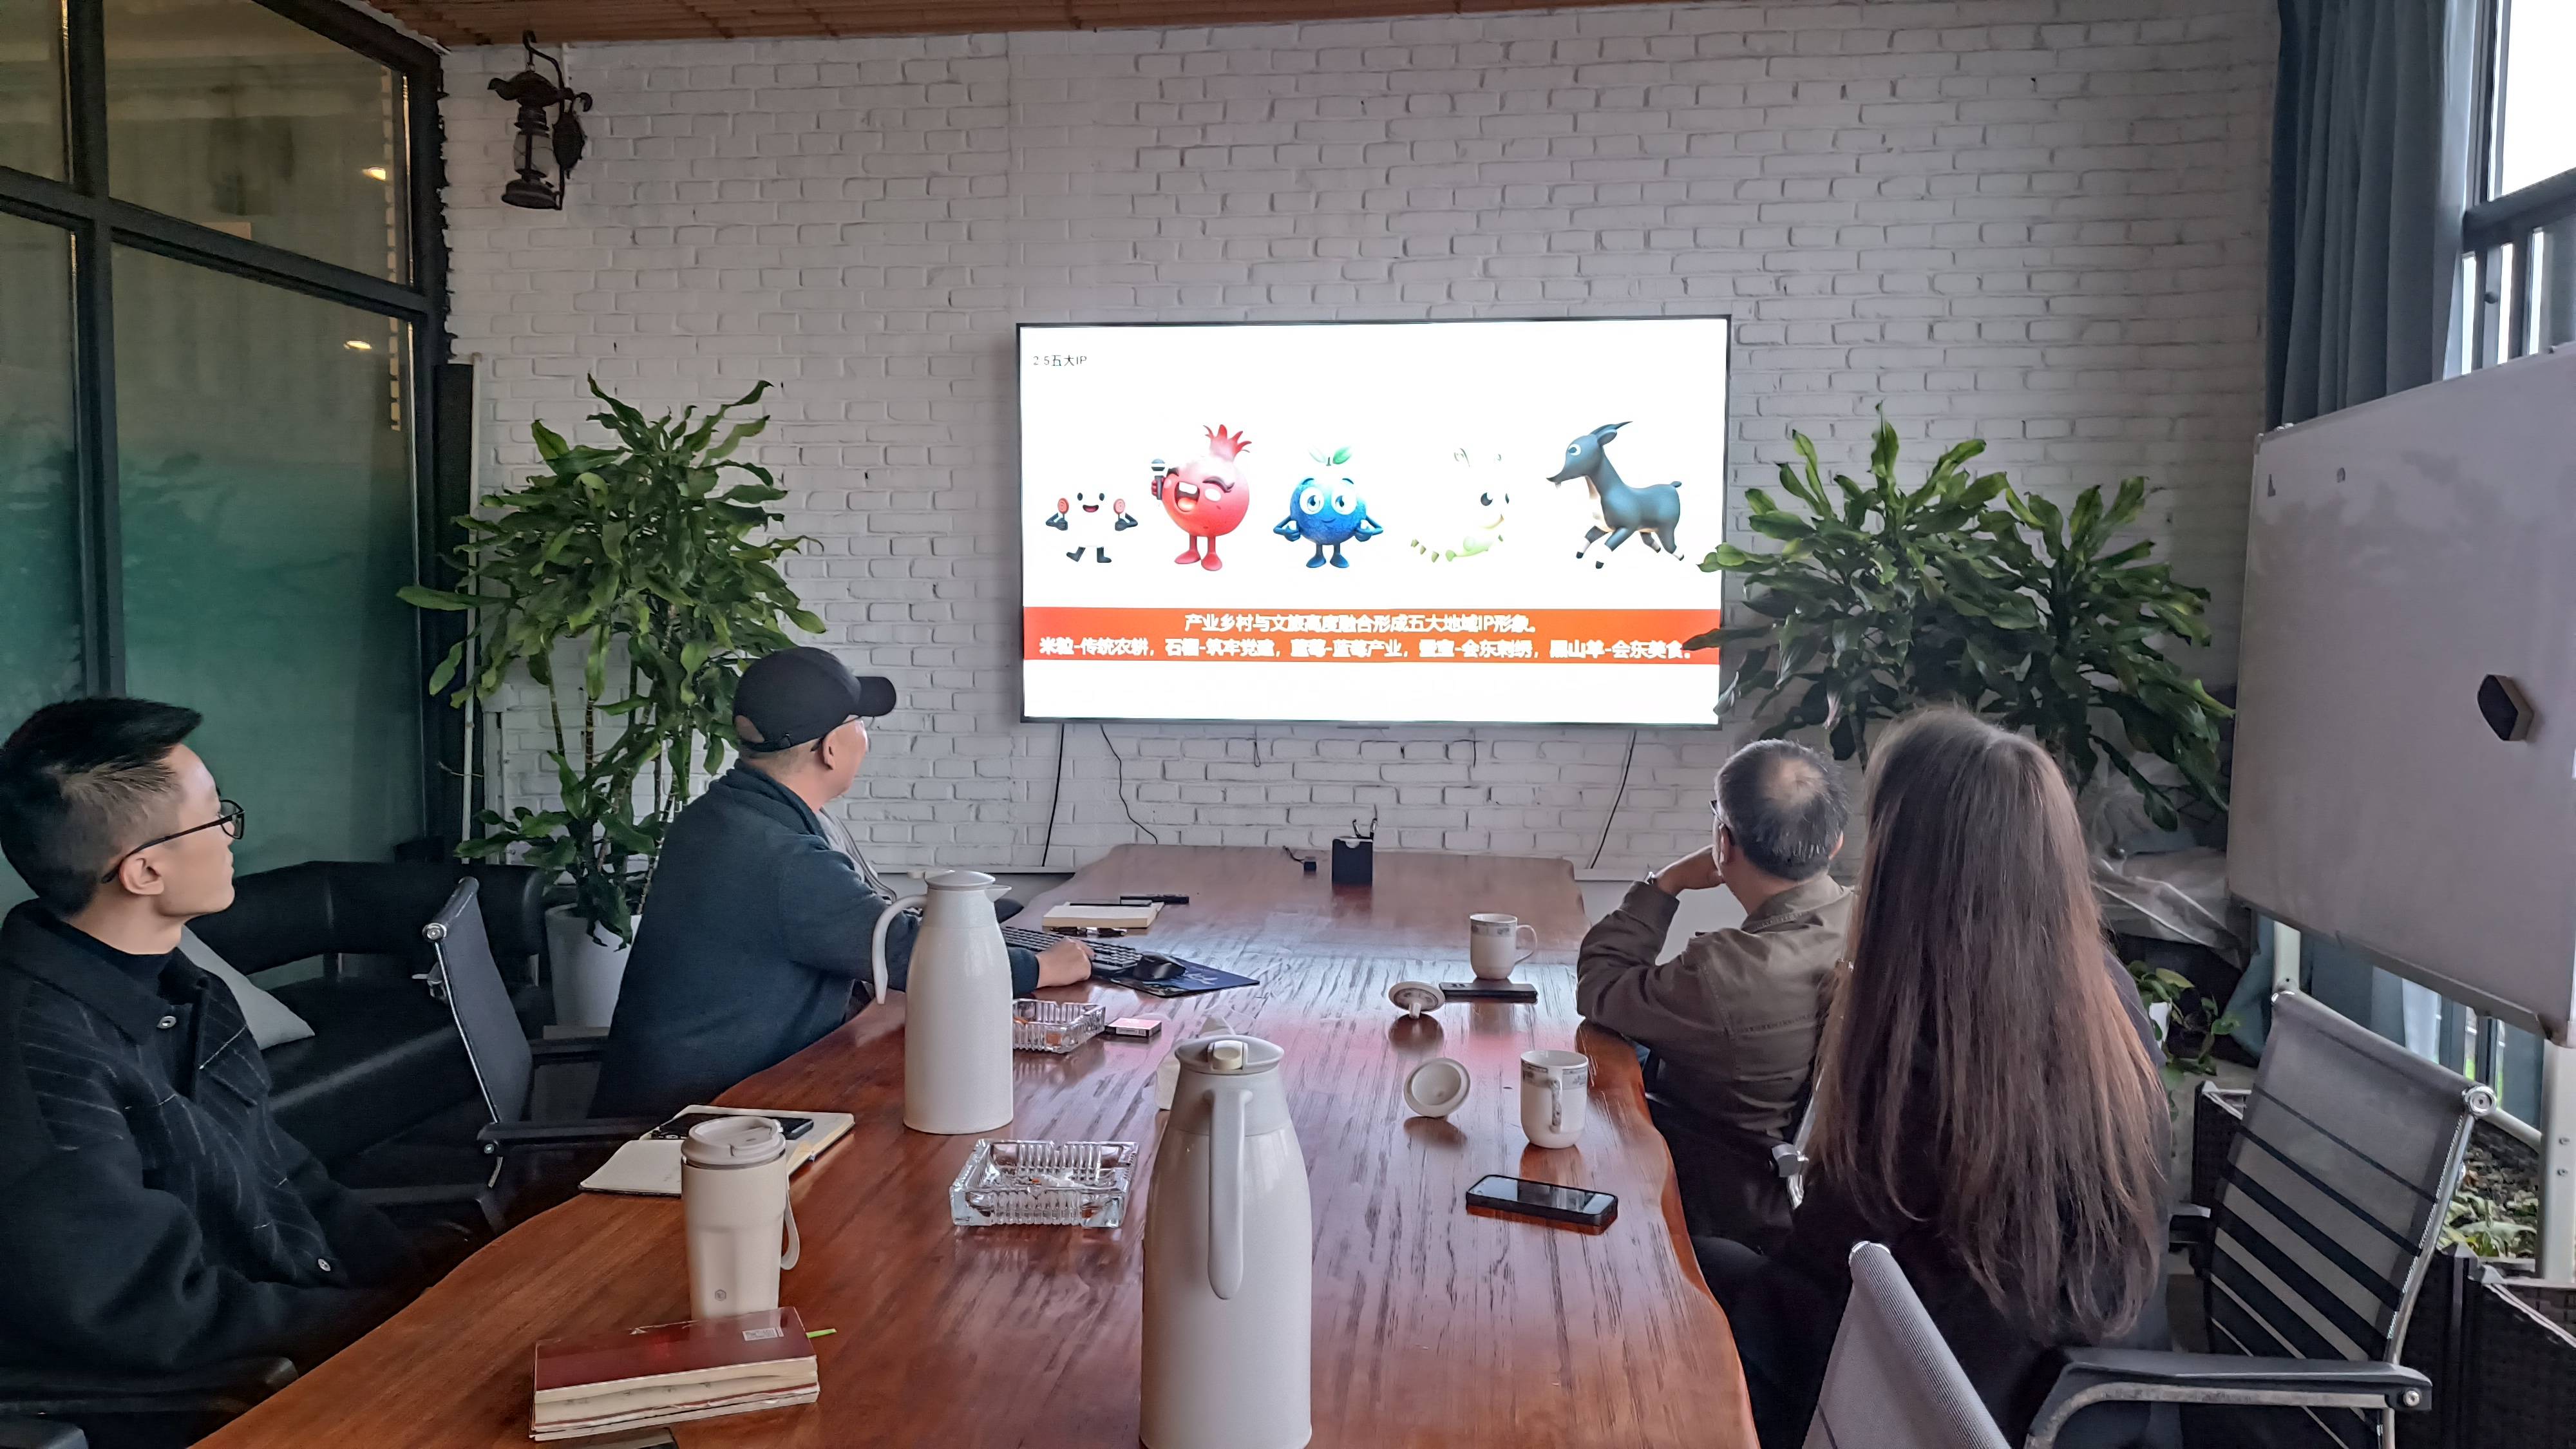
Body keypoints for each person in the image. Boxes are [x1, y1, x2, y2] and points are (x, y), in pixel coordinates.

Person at [1700, 709, 2170, 1448]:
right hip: (2085, 1397)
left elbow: (1832, 1264)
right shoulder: (2107, 996)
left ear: (1903, 865)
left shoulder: (1923, 1029)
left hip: (1930, 1398)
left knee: (1675, 1291)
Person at [0, 699, 417, 1399]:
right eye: (216, 815)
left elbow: (286, 1175)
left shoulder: (188, 988)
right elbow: (149, 1313)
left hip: (315, 1327)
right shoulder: (39, 1058)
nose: (229, 834)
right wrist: (396, 1329)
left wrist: (424, 1286)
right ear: (144, 872)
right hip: (230, 1392)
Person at [594, 648, 1092, 1119]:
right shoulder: (784, 857)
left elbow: (849, 930)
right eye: (860, 723)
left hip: (706, 1096)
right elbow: (909, 955)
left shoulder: (718, 817)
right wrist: (1043, 967)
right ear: (831, 749)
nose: (866, 738)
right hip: (706, 1125)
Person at [1575, 739, 1852, 1247]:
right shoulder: (1867, 924)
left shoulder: (1725, 972)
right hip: (1802, 1194)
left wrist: (1666, 885)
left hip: (1714, 1193)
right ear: (1835, 844)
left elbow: (1599, 985)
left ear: (1723, 843)